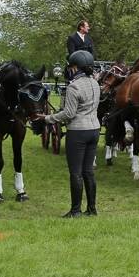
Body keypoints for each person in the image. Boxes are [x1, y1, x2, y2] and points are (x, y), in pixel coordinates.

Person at [44, 49, 101, 218]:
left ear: (76, 67)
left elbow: (68, 114)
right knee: (88, 171)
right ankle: (91, 209)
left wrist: (49, 118)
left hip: (78, 132)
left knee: (76, 172)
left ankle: (75, 210)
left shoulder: (73, 86)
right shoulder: (95, 84)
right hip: (94, 130)